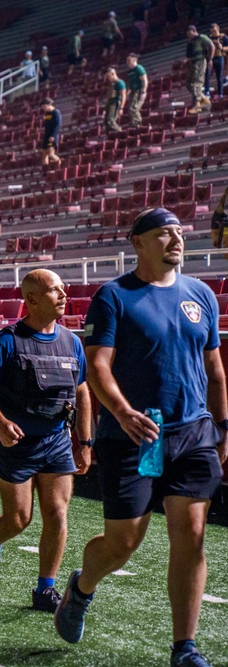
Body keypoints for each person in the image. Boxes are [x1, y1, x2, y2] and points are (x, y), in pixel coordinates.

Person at [54, 208, 228, 667]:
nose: (176, 240)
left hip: (192, 434)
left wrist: (222, 427)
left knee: (191, 534)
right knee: (124, 542)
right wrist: (123, 411)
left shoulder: (201, 295)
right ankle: (82, 586)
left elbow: (215, 370)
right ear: (138, 243)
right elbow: (97, 366)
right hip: (138, 436)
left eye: (179, 233)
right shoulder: (114, 296)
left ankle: (183, 647)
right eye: (163, 234)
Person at [0, 269, 93, 612]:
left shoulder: (72, 341)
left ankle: (45, 590)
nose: (64, 295)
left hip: (56, 440)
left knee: (57, 514)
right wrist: (1, 422)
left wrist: (84, 441)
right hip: (16, 445)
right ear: (33, 299)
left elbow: (82, 392)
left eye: (64, 289)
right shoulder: (7, 340)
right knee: (18, 520)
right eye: (55, 290)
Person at [185, 25, 214, 114]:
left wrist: (210, 59)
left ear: (193, 31)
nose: (188, 35)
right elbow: (189, 54)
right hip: (193, 63)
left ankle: (197, 105)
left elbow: (211, 46)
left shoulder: (202, 37)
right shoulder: (191, 41)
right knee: (188, 83)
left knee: (196, 83)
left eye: (189, 33)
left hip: (200, 61)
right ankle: (205, 100)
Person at [125, 53, 148, 128]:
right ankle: (136, 125)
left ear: (134, 60)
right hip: (133, 92)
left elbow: (145, 80)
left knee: (133, 108)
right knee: (131, 109)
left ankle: (139, 124)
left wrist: (143, 91)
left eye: (129, 60)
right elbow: (130, 84)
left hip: (138, 91)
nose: (127, 62)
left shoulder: (139, 68)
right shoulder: (129, 72)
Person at [104, 67, 127, 134]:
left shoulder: (120, 83)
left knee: (111, 121)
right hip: (110, 103)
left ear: (113, 74)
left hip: (115, 103)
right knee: (106, 121)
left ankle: (121, 132)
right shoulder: (112, 84)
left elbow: (123, 96)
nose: (108, 78)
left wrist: (121, 108)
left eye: (109, 76)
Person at [206, 24, 226, 99]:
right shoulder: (209, 38)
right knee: (207, 74)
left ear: (218, 29)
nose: (213, 33)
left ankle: (220, 93)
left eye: (214, 31)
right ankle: (207, 92)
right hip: (211, 57)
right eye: (212, 32)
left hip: (219, 57)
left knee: (219, 76)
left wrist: (222, 47)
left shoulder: (223, 37)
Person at [40, 98, 62, 167]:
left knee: (50, 153)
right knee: (44, 154)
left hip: (52, 136)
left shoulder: (56, 112)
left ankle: (59, 163)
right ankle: (45, 170)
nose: (43, 108)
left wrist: (53, 135)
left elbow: (58, 124)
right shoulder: (47, 114)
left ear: (49, 104)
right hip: (46, 135)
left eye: (44, 106)